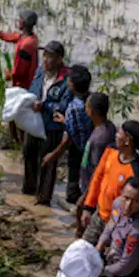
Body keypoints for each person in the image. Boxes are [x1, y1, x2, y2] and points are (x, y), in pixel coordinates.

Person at [78, 120, 139, 243]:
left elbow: (135, 203)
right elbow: (97, 179)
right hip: (98, 215)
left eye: (119, 132)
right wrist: (88, 207)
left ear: (127, 141)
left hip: (116, 223)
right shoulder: (110, 151)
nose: (116, 135)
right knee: (84, 249)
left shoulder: (136, 172)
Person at [27, 42, 70, 202]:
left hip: (52, 127)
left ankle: (43, 199)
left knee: (47, 162)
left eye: (50, 56)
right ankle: (29, 192)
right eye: (44, 55)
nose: (45, 59)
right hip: (34, 122)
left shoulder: (66, 80)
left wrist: (44, 106)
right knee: (29, 155)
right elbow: (33, 89)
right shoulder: (40, 71)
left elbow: (64, 106)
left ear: (59, 59)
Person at [42, 63, 91, 206]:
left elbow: (68, 139)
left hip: (80, 152)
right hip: (89, 149)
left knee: (74, 190)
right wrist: (66, 121)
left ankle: (79, 216)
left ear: (72, 84)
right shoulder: (90, 100)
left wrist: (52, 156)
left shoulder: (75, 106)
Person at [77, 92, 115, 215]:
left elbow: (98, 170)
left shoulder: (100, 139)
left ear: (91, 111)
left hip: (93, 190)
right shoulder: (108, 127)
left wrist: (87, 196)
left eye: (87, 106)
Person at [0, 9, 39, 89]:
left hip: (23, 86)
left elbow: (19, 72)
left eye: (19, 19)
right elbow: (16, 37)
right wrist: (2, 35)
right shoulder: (32, 37)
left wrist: (4, 75)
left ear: (23, 22)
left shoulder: (26, 46)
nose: (18, 21)